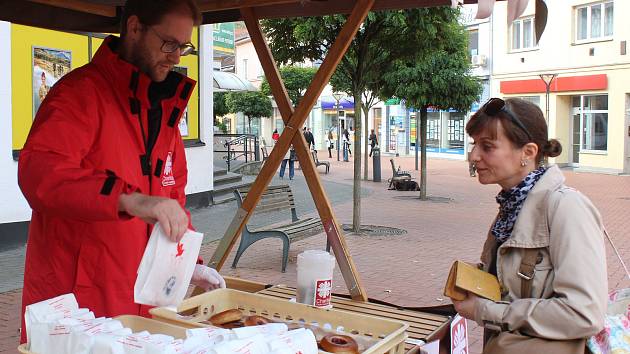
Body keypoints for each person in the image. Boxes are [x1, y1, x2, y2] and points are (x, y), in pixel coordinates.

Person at [17, 0, 226, 344]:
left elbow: (170, 201)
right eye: (169, 43)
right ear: (134, 28)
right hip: (80, 306)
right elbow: (40, 173)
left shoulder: (164, 108)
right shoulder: (78, 94)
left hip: (141, 303)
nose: (176, 56)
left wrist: (189, 263)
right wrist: (128, 200)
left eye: (183, 46)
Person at [453, 98, 607, 353]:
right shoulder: (511, 206)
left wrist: (485, 310)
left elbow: (584, 313)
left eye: (487, 146)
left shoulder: (567, 208)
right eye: (474, 144)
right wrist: (478, 279)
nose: (473, 156)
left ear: (528, 152)